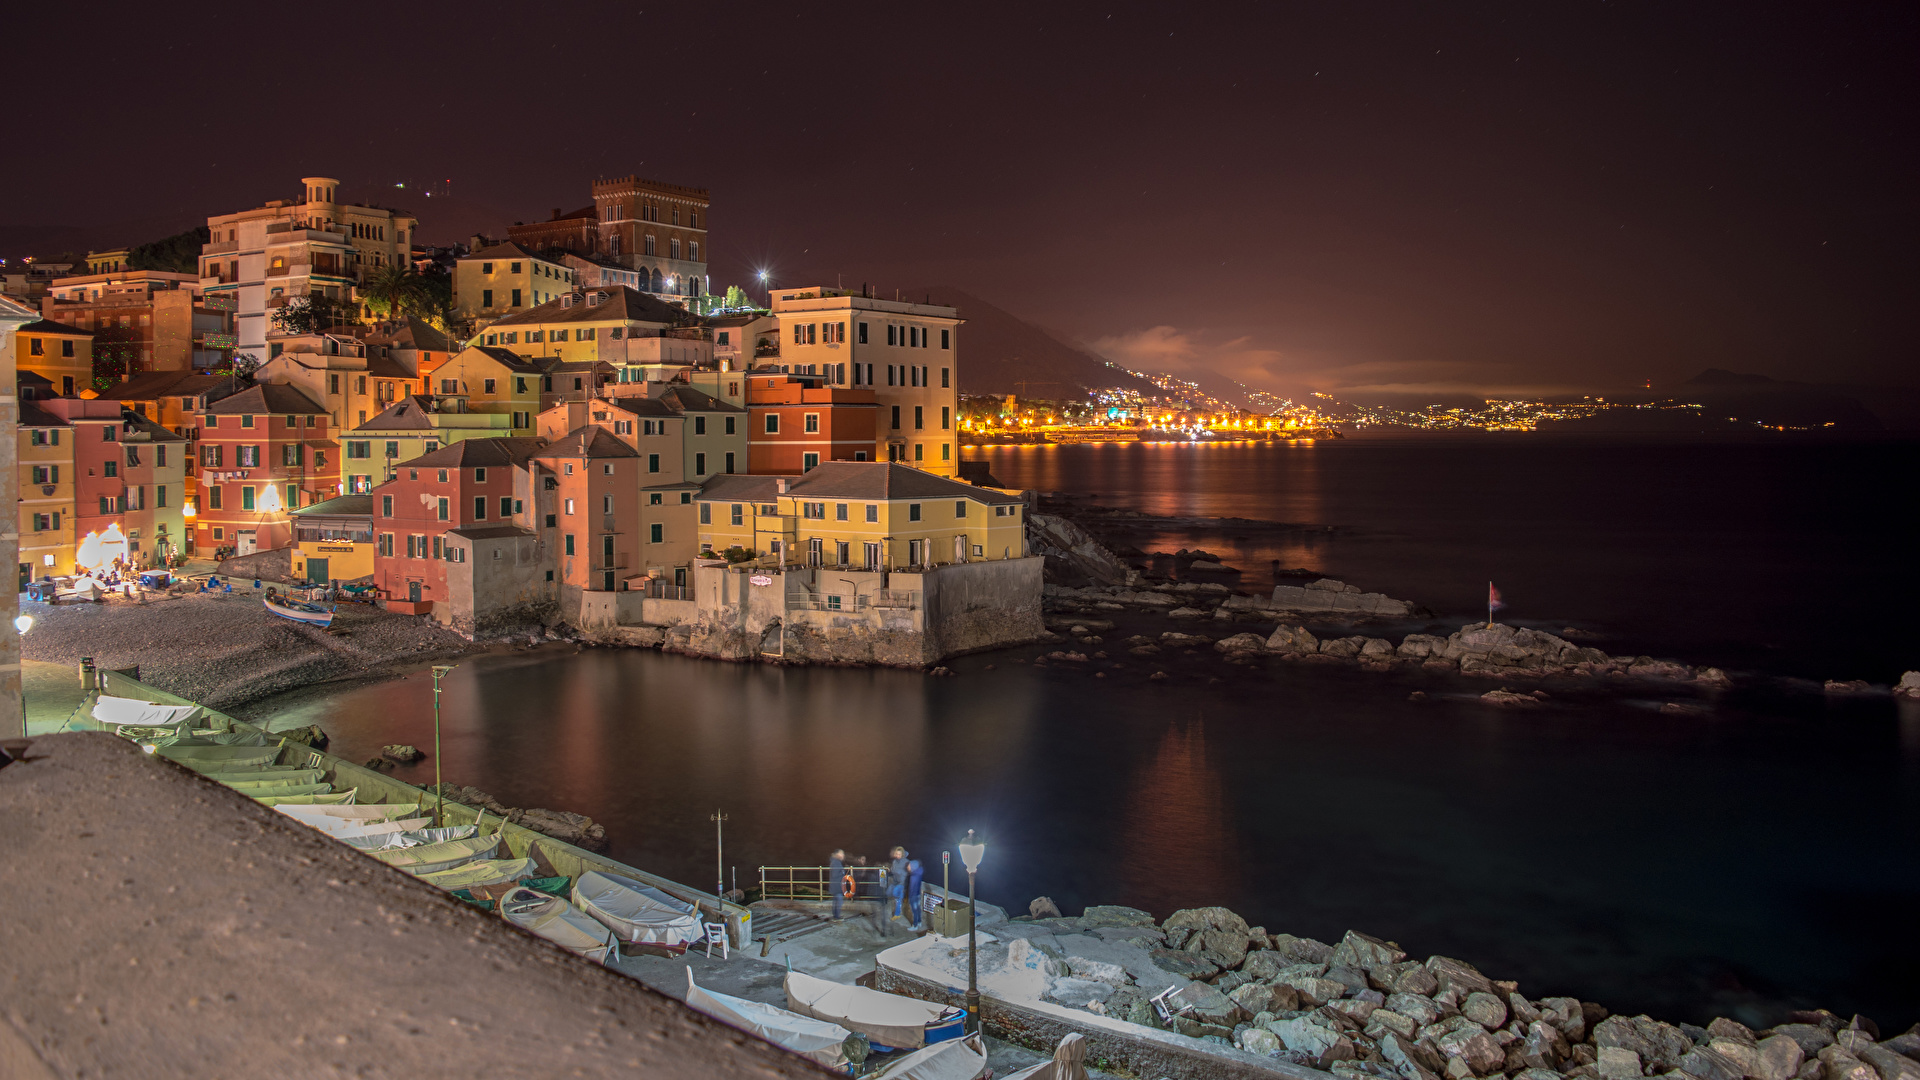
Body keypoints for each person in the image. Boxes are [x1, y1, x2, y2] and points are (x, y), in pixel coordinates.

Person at [887, 847, 908, 921]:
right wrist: (890, 870)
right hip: (895, 881)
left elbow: (907, 872)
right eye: (897, 854)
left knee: (898, 897)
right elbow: (893, 870)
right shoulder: (895, 861)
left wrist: (900, 873)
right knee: (891, 893)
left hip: (901, 882)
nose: (898, 856)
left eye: (899, 854)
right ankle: (902, 897)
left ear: (902, 854)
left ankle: (897, 914)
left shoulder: (906, 861)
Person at [906, 856, 926, 931]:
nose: (907, 867)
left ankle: (915, 926)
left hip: (913, 896)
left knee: (914, 911)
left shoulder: (913, 876)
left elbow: (912, 888)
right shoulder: (919, 872)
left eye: (909, 865)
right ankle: (919, 922)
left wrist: (909, 897)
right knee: (918, 909)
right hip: (917, 894)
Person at [828, 849, 847, 921]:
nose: (843, 855)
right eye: (841, 853)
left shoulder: (835, 861)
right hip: (837, 886)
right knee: (839, 901)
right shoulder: (836, 863)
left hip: (835, 886)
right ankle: (836, 916)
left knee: (836, 901)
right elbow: (835, 874)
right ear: (837, 854)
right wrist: (843, 872)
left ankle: (836, 916)